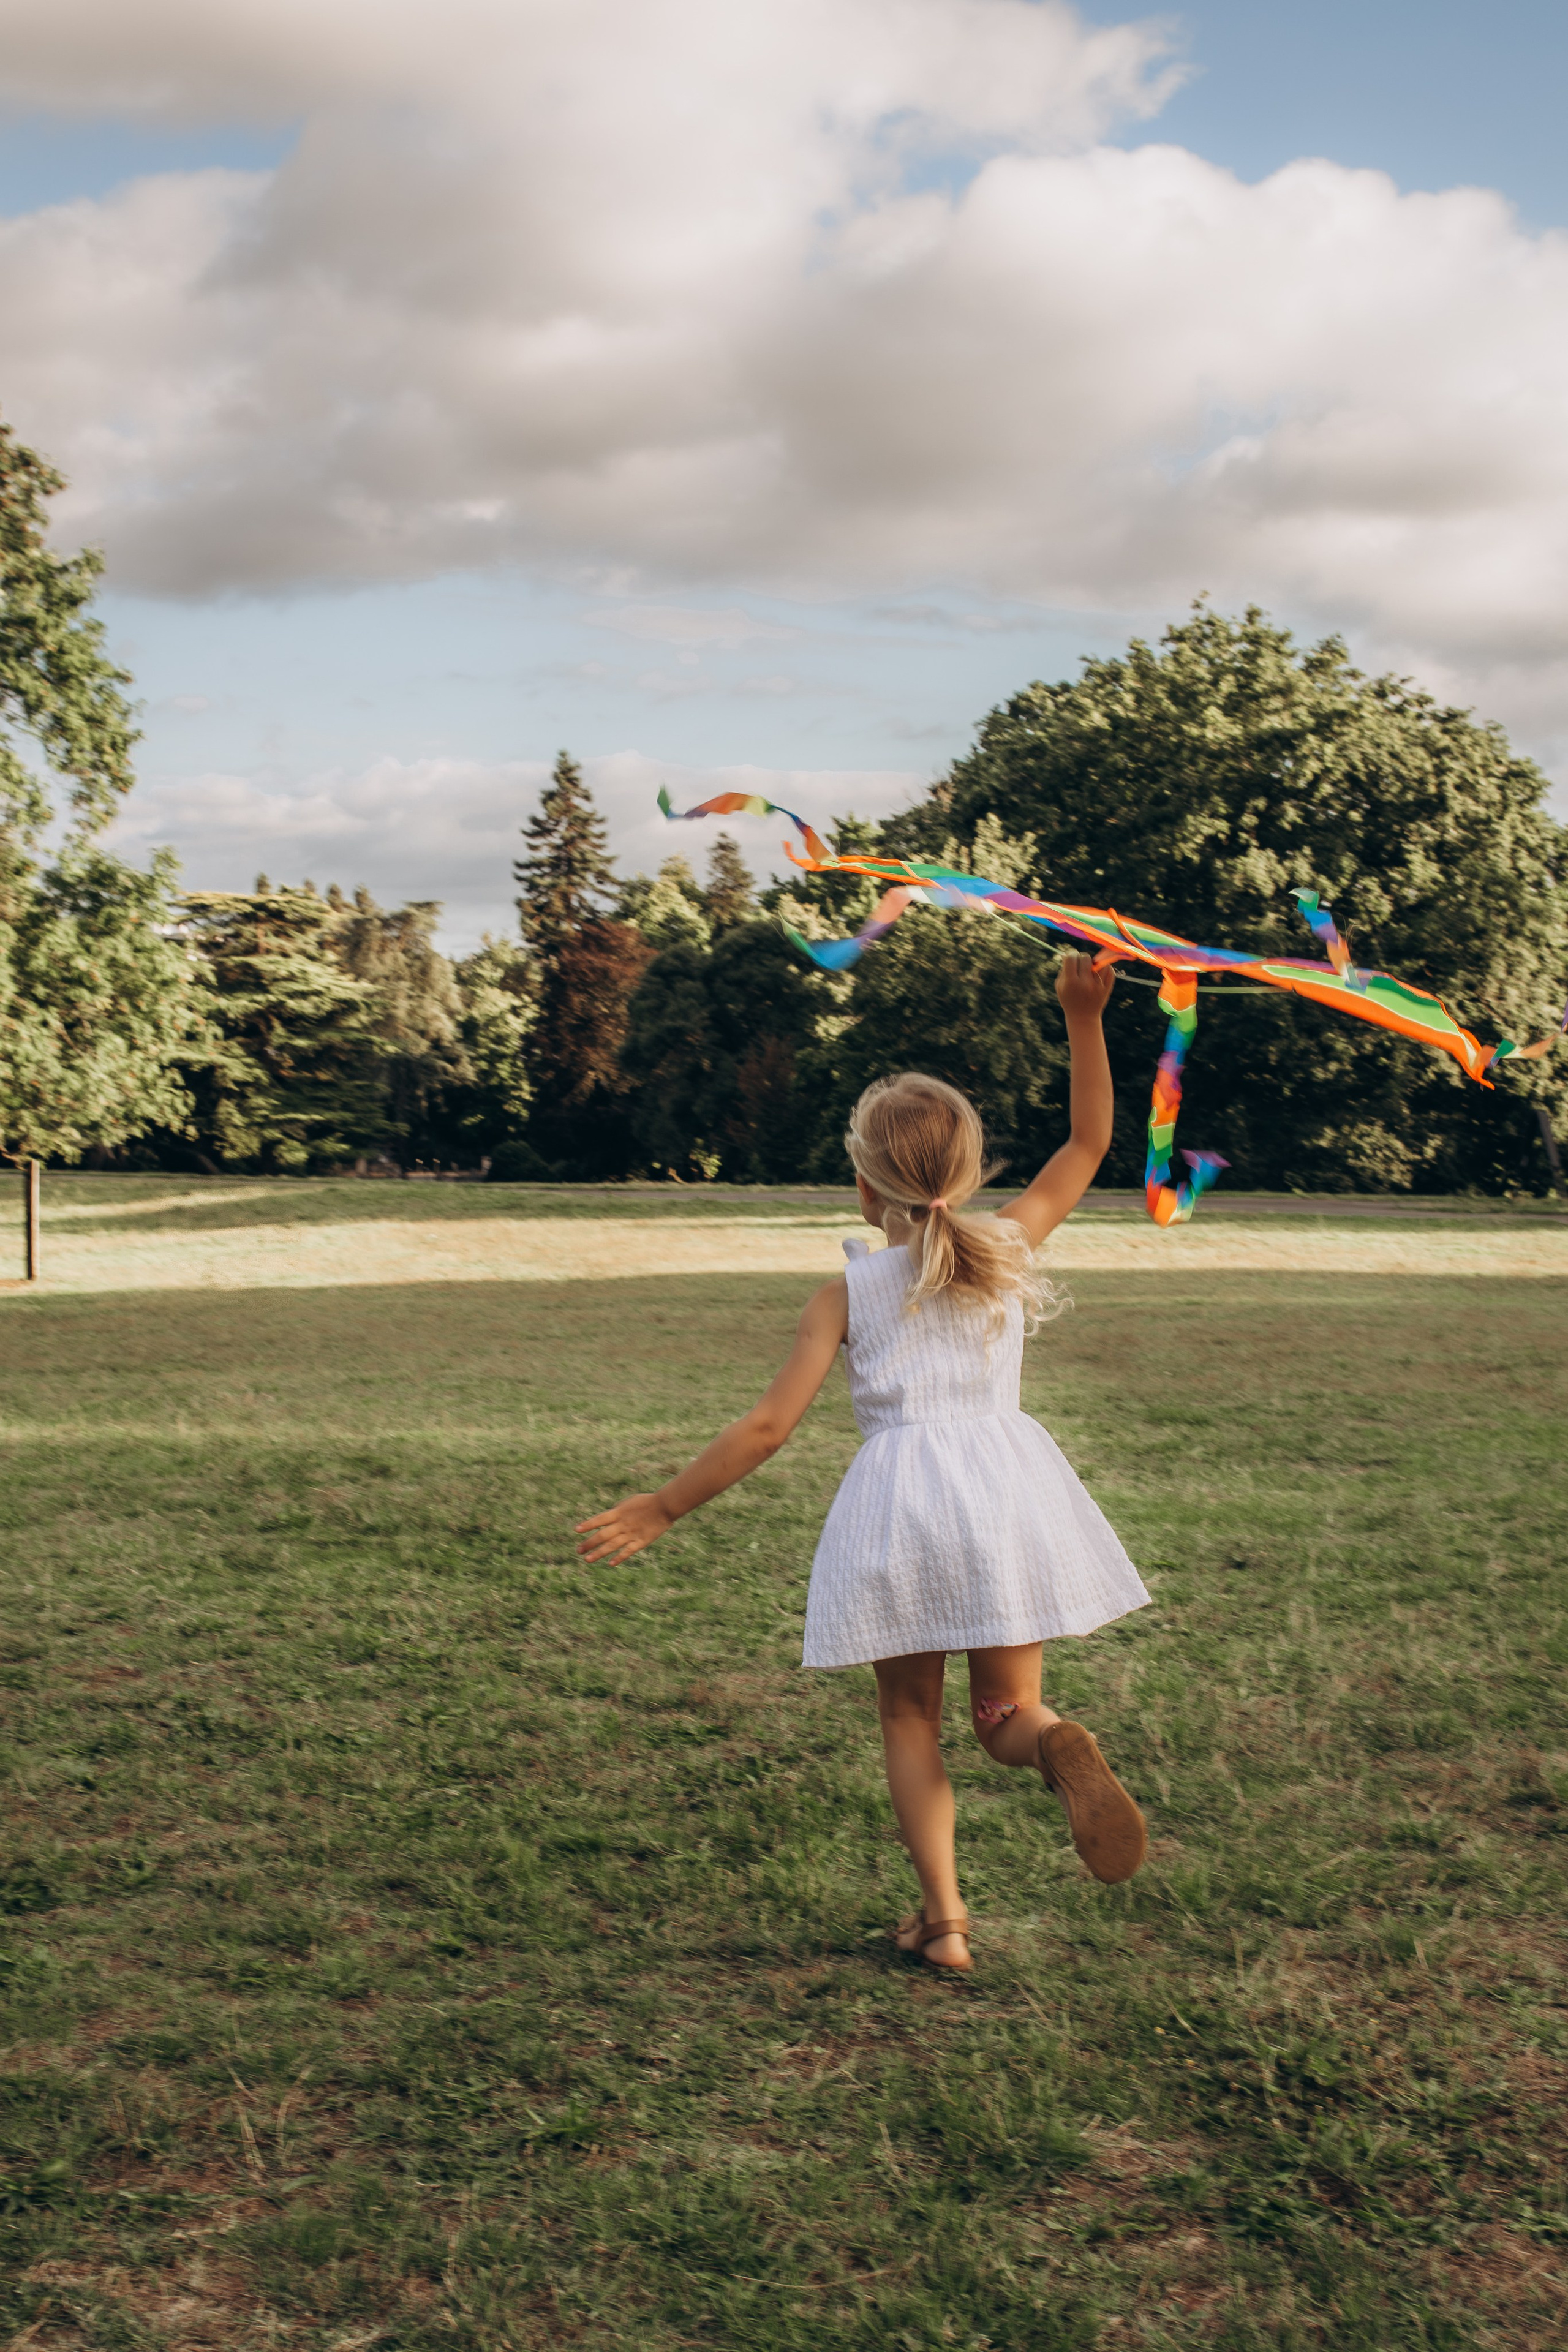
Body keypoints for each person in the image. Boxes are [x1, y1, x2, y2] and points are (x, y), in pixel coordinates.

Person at [576, 952, 1150, 1974]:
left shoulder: (844, 1297)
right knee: (1005, 1714)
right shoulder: (1008, 1245)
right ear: (969, 1177)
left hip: (903, 1512)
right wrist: (1082, 1017)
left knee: (909, 1715)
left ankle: (946, 1923)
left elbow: (766, 1429)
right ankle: (1053, 1742)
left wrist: (664, 1505)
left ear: (862, 1182)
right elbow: (1091, 1140)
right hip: (1009, 1494)